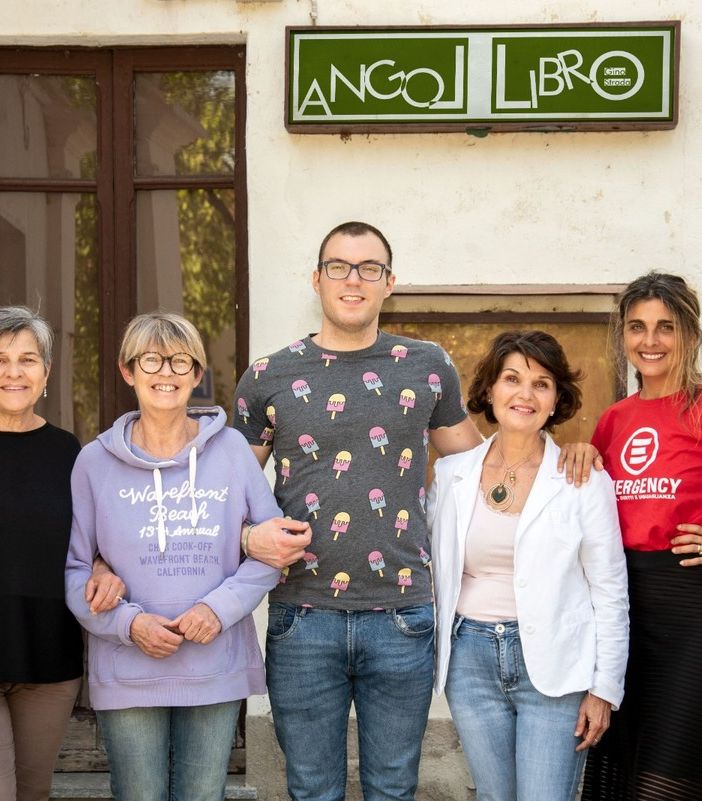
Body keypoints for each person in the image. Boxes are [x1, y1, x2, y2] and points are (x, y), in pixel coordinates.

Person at [232, 221, 600, 801]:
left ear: (389, 282)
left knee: (393, 789)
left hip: (402, 619)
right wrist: (248, 538)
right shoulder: (266, 376)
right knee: (311, 789)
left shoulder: (426, 366)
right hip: (302, 616)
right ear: (316, 279)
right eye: (339, 267)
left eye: (369, 269)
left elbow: (489, 462)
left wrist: (570, 452)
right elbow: (224, 493)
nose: (353, 280)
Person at [65, 312, 282, 801]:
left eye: (180, 361)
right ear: (128, 371)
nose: (166, 373)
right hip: (127, 665)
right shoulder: (93, 463)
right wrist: (129, 624)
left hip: (214, 662)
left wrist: (217, 609)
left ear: (197, 373)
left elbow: (272, 549)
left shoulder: (231, 451)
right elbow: (76, 569)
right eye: (151, 360)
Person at [429, 330, 629, 801]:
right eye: (512, 379)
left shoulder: (584, 480)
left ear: (556, 399)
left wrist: (604, 688)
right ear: (490, 390)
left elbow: (610, 590)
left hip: (557, 667)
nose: (525, 394)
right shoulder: (451, 474)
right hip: (470, 659)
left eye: (541, 384)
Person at [581, 273, 702, 801]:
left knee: (667, 776)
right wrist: (578, 452)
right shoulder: (614, 419)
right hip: (624, 612)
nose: (650, 341)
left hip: (690, 611)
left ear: (690, 334)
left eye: (665, 327)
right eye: (637, 327)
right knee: (623, 769)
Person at [0, 306, 121, 801]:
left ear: (46, 373)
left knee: (33, 792)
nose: (13, 372)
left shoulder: (71, 453)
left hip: (50, 654)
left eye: (27, 359)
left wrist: (103, 565)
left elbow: (95, 539)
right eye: (0, 359)